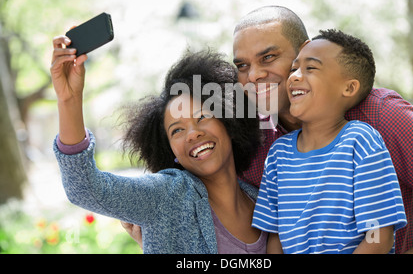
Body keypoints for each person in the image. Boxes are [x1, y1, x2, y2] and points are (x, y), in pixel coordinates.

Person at [232, 5, 413, 254]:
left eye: (268, 57)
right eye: (242, 66)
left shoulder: (381, 119)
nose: (254, 76)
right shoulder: (260, 143)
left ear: (304, 52)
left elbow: (379, 235)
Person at [51, 37, 266, 253]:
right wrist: (69, 99)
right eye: (177, 130)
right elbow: (85, 188)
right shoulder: (166, 196)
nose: (192, 134)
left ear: (228, 122)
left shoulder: (261, 200)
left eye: (202, 117)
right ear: (170, 150)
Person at [252, 29, 407, 254]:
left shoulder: (360, 142)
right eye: (294, 68)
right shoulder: (278, 154)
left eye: (311, 68)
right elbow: (275, 238)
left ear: (349, 88)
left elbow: (378, 236)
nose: (294, 76)